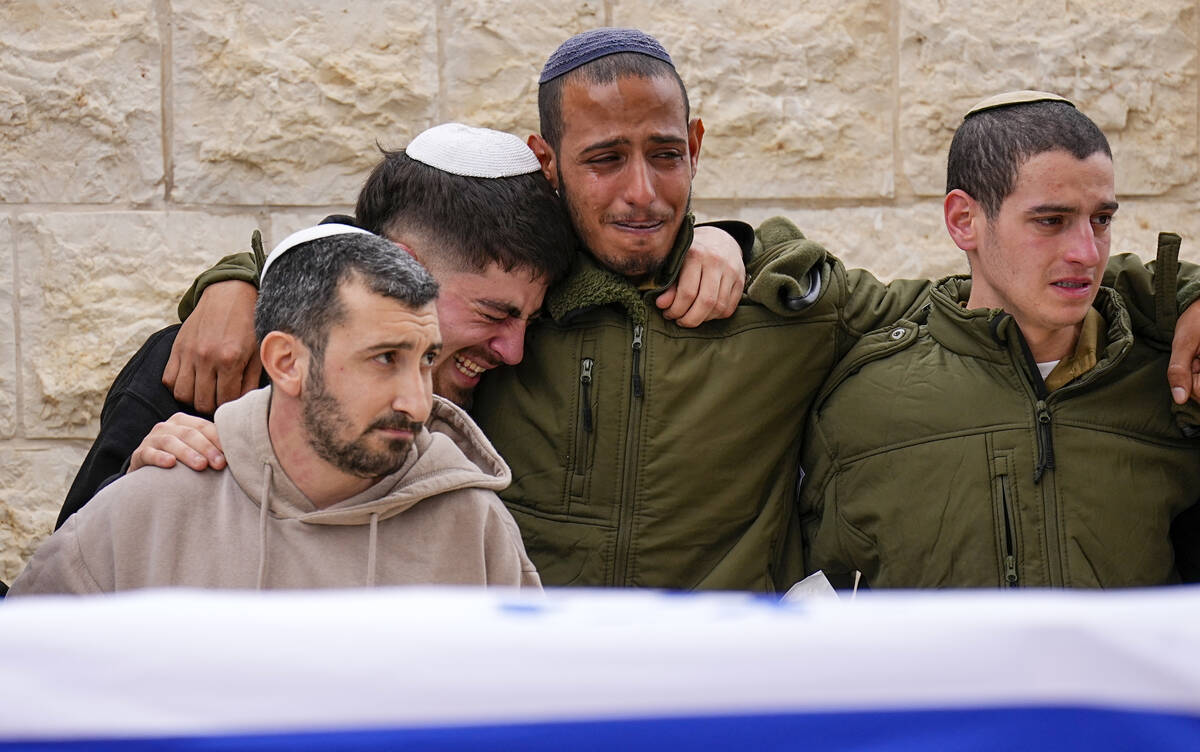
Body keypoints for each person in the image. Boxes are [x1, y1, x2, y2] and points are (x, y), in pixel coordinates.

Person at [138, 30, 1200, 592]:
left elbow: (996, 299)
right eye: (604, 160)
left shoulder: (793, 302)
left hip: (712, 698)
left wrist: (1188, 295)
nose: (642, 192)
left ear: (697, 147)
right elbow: (383, 249)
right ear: (549, 162)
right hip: (519, 680)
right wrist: (235, 273)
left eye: (664, 155)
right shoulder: (507, 309)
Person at [55, 124, 577, 527]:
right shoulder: (209, 366)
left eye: (530, 318)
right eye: (493, 313)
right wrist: (137, 494)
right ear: (404, 268)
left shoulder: (509, 386)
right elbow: (72, 600)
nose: (514, 352)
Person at [796, 91, 1200, 589]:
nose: (1086, 252)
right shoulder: (864, 405)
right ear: (964, 220)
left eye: (1101, 219)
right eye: (1050, 221)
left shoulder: (1168, 382)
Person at [12, 226, 540, 594]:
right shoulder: (149, 511)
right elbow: (28, 688)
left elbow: (526, 721)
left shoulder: (475, 527)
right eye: (384, 359)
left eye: (425, 360)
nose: (417, 402)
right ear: (286, 362)